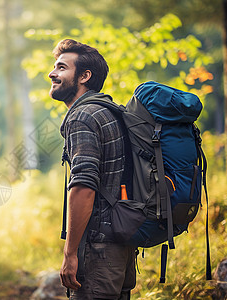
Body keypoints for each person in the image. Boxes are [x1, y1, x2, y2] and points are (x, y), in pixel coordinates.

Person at [48, 39, 136, 299]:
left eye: (62, 68)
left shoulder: (82, 117)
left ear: (84, 76)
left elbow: (84, 187)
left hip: (99, 250)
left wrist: (70, 253)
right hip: (122, 245)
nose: (52, 73)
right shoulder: (111, 112)